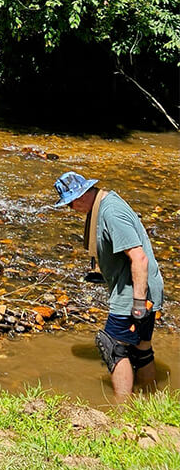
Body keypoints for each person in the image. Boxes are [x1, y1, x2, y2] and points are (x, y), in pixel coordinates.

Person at [53, 171, 164, 400]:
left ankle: (121, 411)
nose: (71, 210)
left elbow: (139, 258)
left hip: (134, 290)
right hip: (146, 286)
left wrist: (138, 304)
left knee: (113, 346)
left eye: (70, 204)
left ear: (81, 195)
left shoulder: (111, 212)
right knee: (141, 348)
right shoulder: (104, 204)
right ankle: (152, 401)